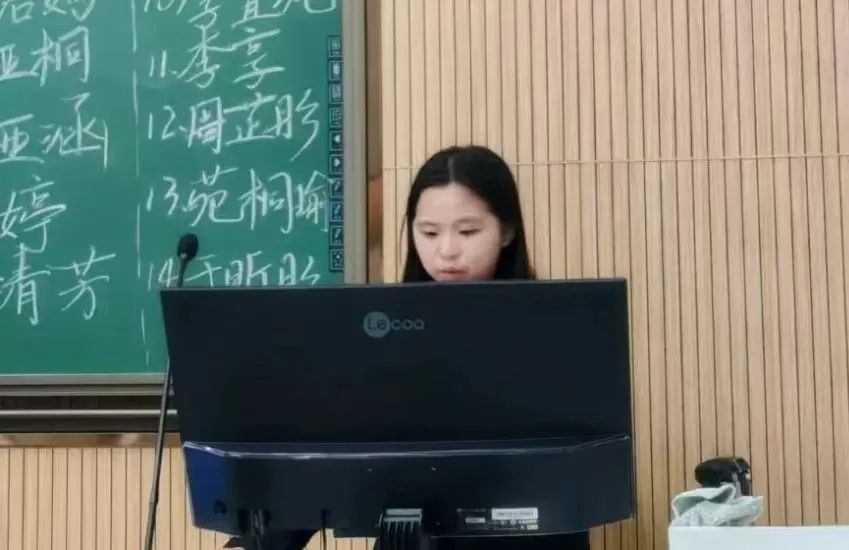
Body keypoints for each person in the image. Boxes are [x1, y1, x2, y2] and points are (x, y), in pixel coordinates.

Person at [262, 145, 588, 550]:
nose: (446, 250)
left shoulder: (551, 332)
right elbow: (333, 446)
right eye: (429, 232)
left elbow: (572, 475)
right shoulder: (380, 333)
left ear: (507, 231)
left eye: (467, 232)